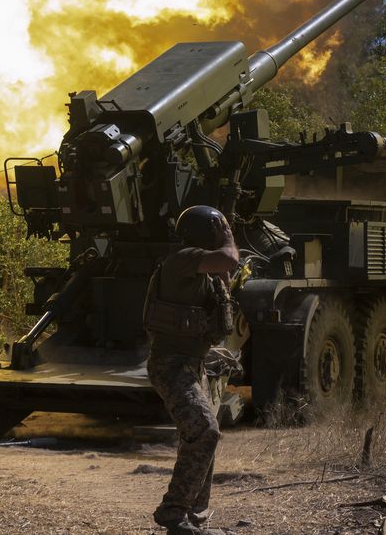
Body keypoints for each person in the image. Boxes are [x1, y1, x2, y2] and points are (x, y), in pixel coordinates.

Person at [144, 206, 239, 535]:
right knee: (205, 430)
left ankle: (194, 516)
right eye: (218, 229)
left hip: (192, 365)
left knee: (205, 435)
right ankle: (173, 512)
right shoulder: (182, 258)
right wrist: (228, 238)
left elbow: (225, 280)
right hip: (171, 366)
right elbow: (229, 259)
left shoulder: (201, 270)